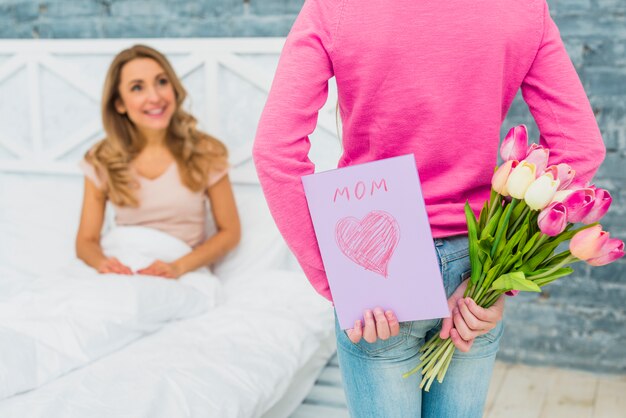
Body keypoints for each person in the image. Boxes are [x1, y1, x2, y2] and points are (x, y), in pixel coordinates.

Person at [253, 0, 605, 417]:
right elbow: (580, 148)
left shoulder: (334, 8)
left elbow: (275, 152)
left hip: (375, 283)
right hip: (474, 267)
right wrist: (494, 281)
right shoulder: (523, 8)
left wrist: (341, 284)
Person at [76, 44, 240, 278]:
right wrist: (104, 264)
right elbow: (86, 241)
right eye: (137, 87)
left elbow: (230, 232)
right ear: (119, 104)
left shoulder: (205, 152)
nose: (155, 97)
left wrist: (178, 267)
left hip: (183, 269)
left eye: (162, 82)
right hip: (126, 265)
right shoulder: (101, 159)